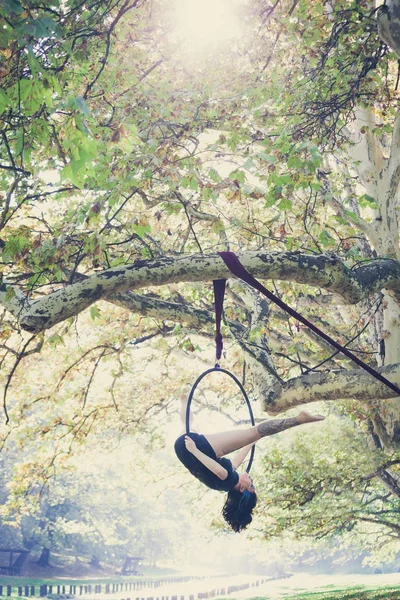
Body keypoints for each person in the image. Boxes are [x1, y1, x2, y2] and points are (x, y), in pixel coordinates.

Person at [174, 399, 324, 533]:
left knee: (255, 432)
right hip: (182, 448)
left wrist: (194, 450)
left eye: (251, 485)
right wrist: (251, 442)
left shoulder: (227, 480)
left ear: (241, 488)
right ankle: (184, 400)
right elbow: (236, 460)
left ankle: (299, 419)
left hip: (195, 449)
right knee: (189, 425)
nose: (252, 480)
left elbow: (219, 470)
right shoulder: (226, 484)